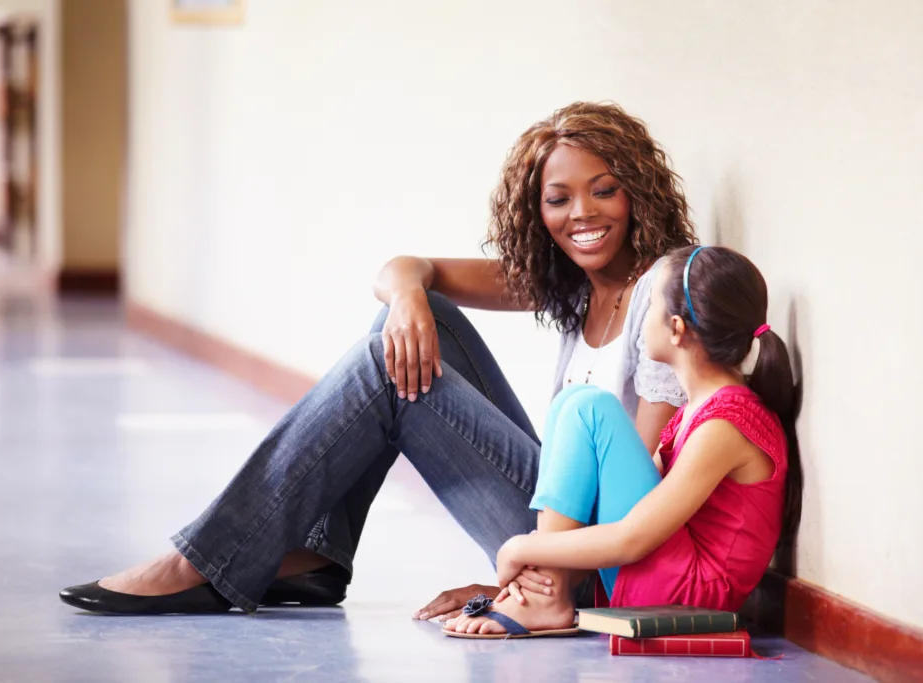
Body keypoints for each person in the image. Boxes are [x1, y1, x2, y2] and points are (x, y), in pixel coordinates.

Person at [58, 102, 695, 616]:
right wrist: (409, 299)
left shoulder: (658, 293)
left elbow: (635, 500)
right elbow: (403, 268)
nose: (581, 214)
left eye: (604, 191)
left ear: (637, 192)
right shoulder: (575, 280)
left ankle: (212, 559)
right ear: (538, 211)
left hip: (595, 564)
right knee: (413, 325)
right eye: (559, 199)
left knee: (384, 367)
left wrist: (514, 580)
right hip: (558, 521)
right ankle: (314, 555)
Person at [442, 245, 803, 638]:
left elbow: (632, 537)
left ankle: (546, 598)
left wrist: (519, 549)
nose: (639, 317)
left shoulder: (727, 423)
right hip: (670, 579)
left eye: (647, 306)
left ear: (677, 329)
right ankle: (545, 592)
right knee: (573, 401)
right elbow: (621, 517)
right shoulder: (694, 413)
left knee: (591, 407)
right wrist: (536, 560)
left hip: (689, 597)